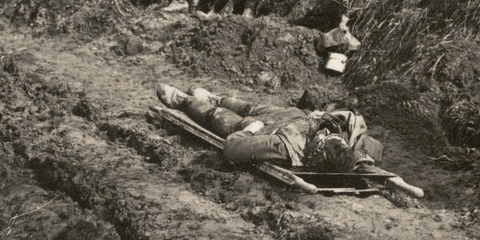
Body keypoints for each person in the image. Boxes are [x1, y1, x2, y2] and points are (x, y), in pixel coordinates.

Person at [156, 83, 383, 171]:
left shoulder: (283, 147)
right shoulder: (344, 137)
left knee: (219, 116)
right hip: (287, 116)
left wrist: (251, 130)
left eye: (323, 138)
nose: (324, 132)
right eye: (328, 134)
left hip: (264, 128)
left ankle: (183, 101)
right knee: (246, 105)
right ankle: (216, 97)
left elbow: (232, 148)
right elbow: (375, 148)